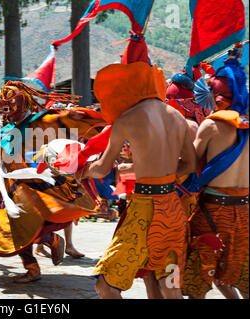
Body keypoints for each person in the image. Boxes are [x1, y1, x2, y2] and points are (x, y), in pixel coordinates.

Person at [70, 35, 197, 298]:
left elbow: (103, 169)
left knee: (105, 285)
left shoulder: (127, 120)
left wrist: (83, 171)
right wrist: (162, 174)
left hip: (144, 212)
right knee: (170, 285)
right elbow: (190, 164)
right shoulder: (177, 117)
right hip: (173, 211)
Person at [0, 81, 107, 283]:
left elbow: (65, 119)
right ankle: (48, 244)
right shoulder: (7, 128)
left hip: (33, 186)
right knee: (9, 230)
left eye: (11, 105)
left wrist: (92, 119)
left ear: (21, 104)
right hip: (9, 188)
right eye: (5, 106)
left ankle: (37, 261)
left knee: (22, 228)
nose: (8, 110)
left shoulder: (38, 122)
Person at [182, 48, 249, 299]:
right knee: (243, 276)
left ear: (217, 95)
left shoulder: (211, 124)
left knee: (198, 276)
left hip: (213, 211)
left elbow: (190, 164)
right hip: (244, 212)